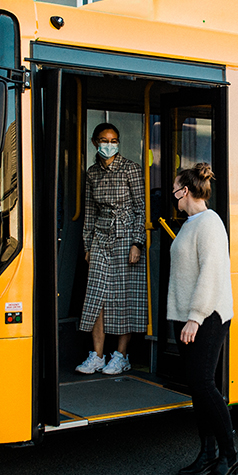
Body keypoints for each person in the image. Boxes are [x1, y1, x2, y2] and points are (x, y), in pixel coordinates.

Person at [168, 163, 238, 475]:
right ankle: (208, 453)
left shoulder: (209, 223)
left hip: (206, 317)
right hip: (186, 316)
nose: (172, 194)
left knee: (204, 385)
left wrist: (195, 317)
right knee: (198, 388)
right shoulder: (191, 222)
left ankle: (231, 456)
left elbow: (211, 273)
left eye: (175, 189)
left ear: (186, 191)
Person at [75, 123, 146, 376]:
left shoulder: (131, 169)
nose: (109, 144)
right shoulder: (92, 173)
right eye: (105, 140)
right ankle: (96, 355)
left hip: (126, 237)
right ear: (95, 142)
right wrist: (87, 245)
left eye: (114, 140)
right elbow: (89, 213)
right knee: (97, 297)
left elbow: (141, 208)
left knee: (124, 296)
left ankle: (121, 355)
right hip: (100, 238)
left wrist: (137, 242)